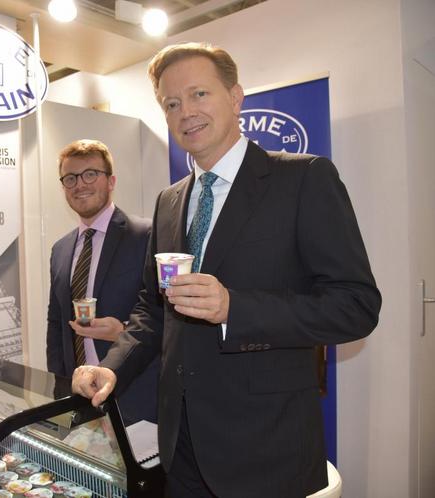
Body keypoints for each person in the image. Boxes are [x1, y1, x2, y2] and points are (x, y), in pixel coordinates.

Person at [71, 43, 382, 497]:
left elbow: (356, 307)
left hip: (267, 448)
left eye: (199, 94)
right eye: (172, 103)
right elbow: (152, 311)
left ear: (236, 97)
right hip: (180, 445)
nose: (185, 113)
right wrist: (114, 368)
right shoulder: (170, 201)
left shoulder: (304, 179)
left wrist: (236, 308)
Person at [47, 139, 158, 424]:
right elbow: (56, 324)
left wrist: (121, 330)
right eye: (70, 178)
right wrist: (60, 391)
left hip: (135, 394)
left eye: (90, 174)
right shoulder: (60, 250)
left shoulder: (146, 235)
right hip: (80, 396)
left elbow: (164, 315)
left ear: (111, 181)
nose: (79, 184)